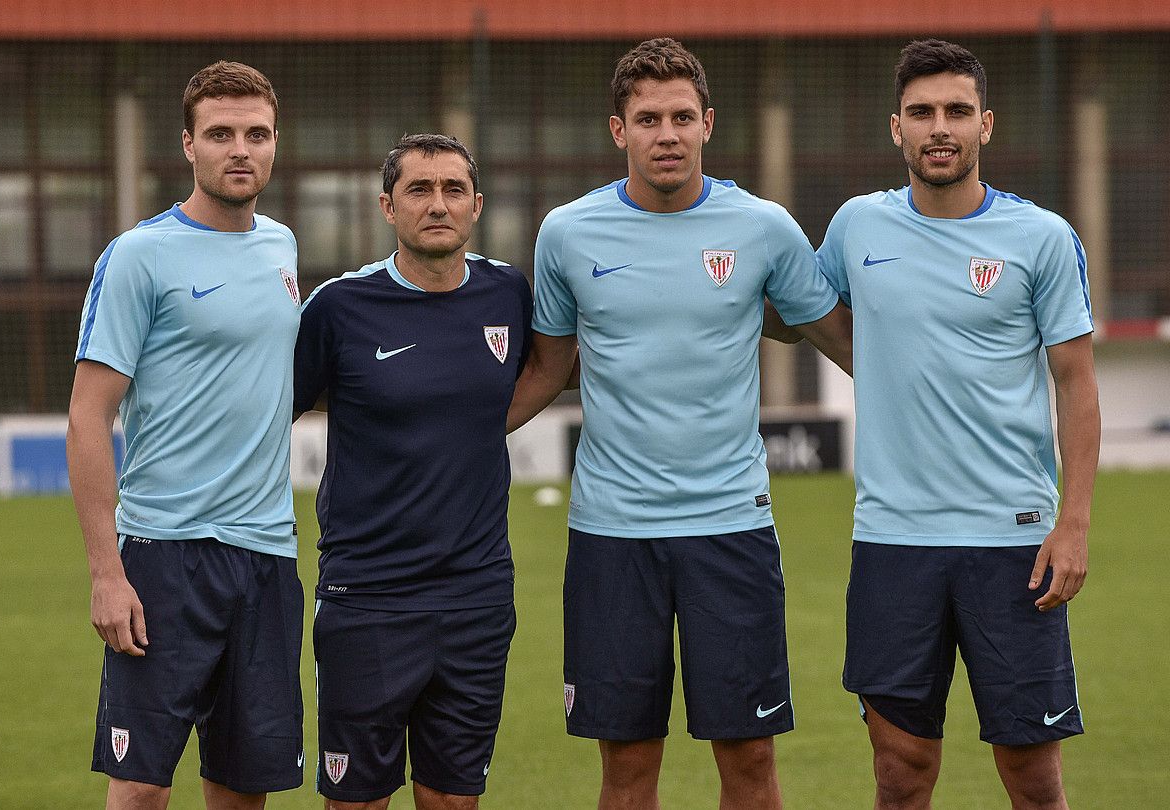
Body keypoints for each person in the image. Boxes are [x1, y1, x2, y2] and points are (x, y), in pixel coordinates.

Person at [507, 38, 852, 810]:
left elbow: (846, 342)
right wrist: (437, 436)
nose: (666, 133)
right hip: (610, 533)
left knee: (751, 761)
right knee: (627, 767)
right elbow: (547, 369)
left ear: (708, 125)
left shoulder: (763, 227)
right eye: (648, 119)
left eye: (681, 117)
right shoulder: (567, 232)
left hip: (730, 527)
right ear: (617, 130)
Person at [815, 39, 1099, 810]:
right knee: (899, 771)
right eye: (922, 112)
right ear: (896, 128)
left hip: (1014, 541)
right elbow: (802, 311)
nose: (940, 127)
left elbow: (1075, 384)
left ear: (986, 125)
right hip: (893, 541)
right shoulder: (855, 227)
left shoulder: (1041, 237)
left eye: (957, 111)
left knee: (1032, 776)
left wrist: (1072, 523)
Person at [67, 62, 303, 809]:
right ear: (189, 146)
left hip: (267, 556)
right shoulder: (140, 255)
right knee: (141, 789)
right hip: (166, 557)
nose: (241, 149)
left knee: (244, 789)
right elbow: (87, 415)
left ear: (274, 144)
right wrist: (108, 571)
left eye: (256, 134)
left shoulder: (282, 246)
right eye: (221, 134)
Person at [294, 134, 531, 810]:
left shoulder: (508, 293)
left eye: (453, 189)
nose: (438, 204)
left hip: (477, 599)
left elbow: (550, 370)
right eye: (419, 191)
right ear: (387, 208)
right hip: (367, 597)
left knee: (454, 801)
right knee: (357, 802)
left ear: (477, 205)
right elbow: (272, 410)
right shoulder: (339, 307)